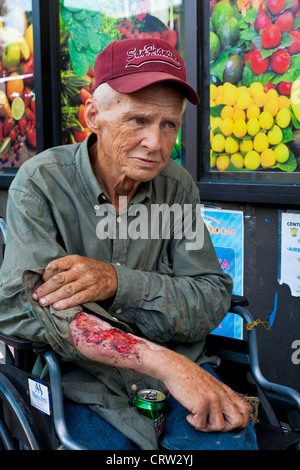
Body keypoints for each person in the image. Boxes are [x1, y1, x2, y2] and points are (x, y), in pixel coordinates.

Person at [0, 38, 258, 450]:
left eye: (168, 124)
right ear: (93, 116)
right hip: (82, 384)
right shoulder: (41, 183)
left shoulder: (176, 187)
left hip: (182, 376)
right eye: (137, 120)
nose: (156, 143)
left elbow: (210, 295)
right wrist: (163, 362)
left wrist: (118, 283)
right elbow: (29, 308)